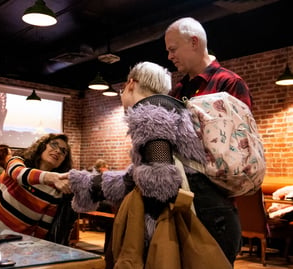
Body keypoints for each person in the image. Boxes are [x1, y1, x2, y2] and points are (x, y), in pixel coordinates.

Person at [69, 62, 230, 268]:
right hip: (213, 215)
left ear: (131, 84)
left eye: (121, 90)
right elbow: (136, 175)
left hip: (193, 224)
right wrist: (88, 184)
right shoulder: (175, 109)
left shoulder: (149, 113)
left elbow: (160, 182)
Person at [165, 17, 253, 265]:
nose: (170, 56)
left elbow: (239, 149)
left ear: (194, 42)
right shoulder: (179, 90)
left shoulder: (229, 83)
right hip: (183, 203)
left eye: (173, 49)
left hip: (215, 209)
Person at [0, 133, 77, 245]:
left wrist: (32, 248)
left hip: (21, 243)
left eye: (63, 151)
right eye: (54, 145)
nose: (58, 151)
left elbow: (42, 228)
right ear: (42, 146)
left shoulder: (56, 188)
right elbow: (18, 173)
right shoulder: (18, 161)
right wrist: (51, 177)